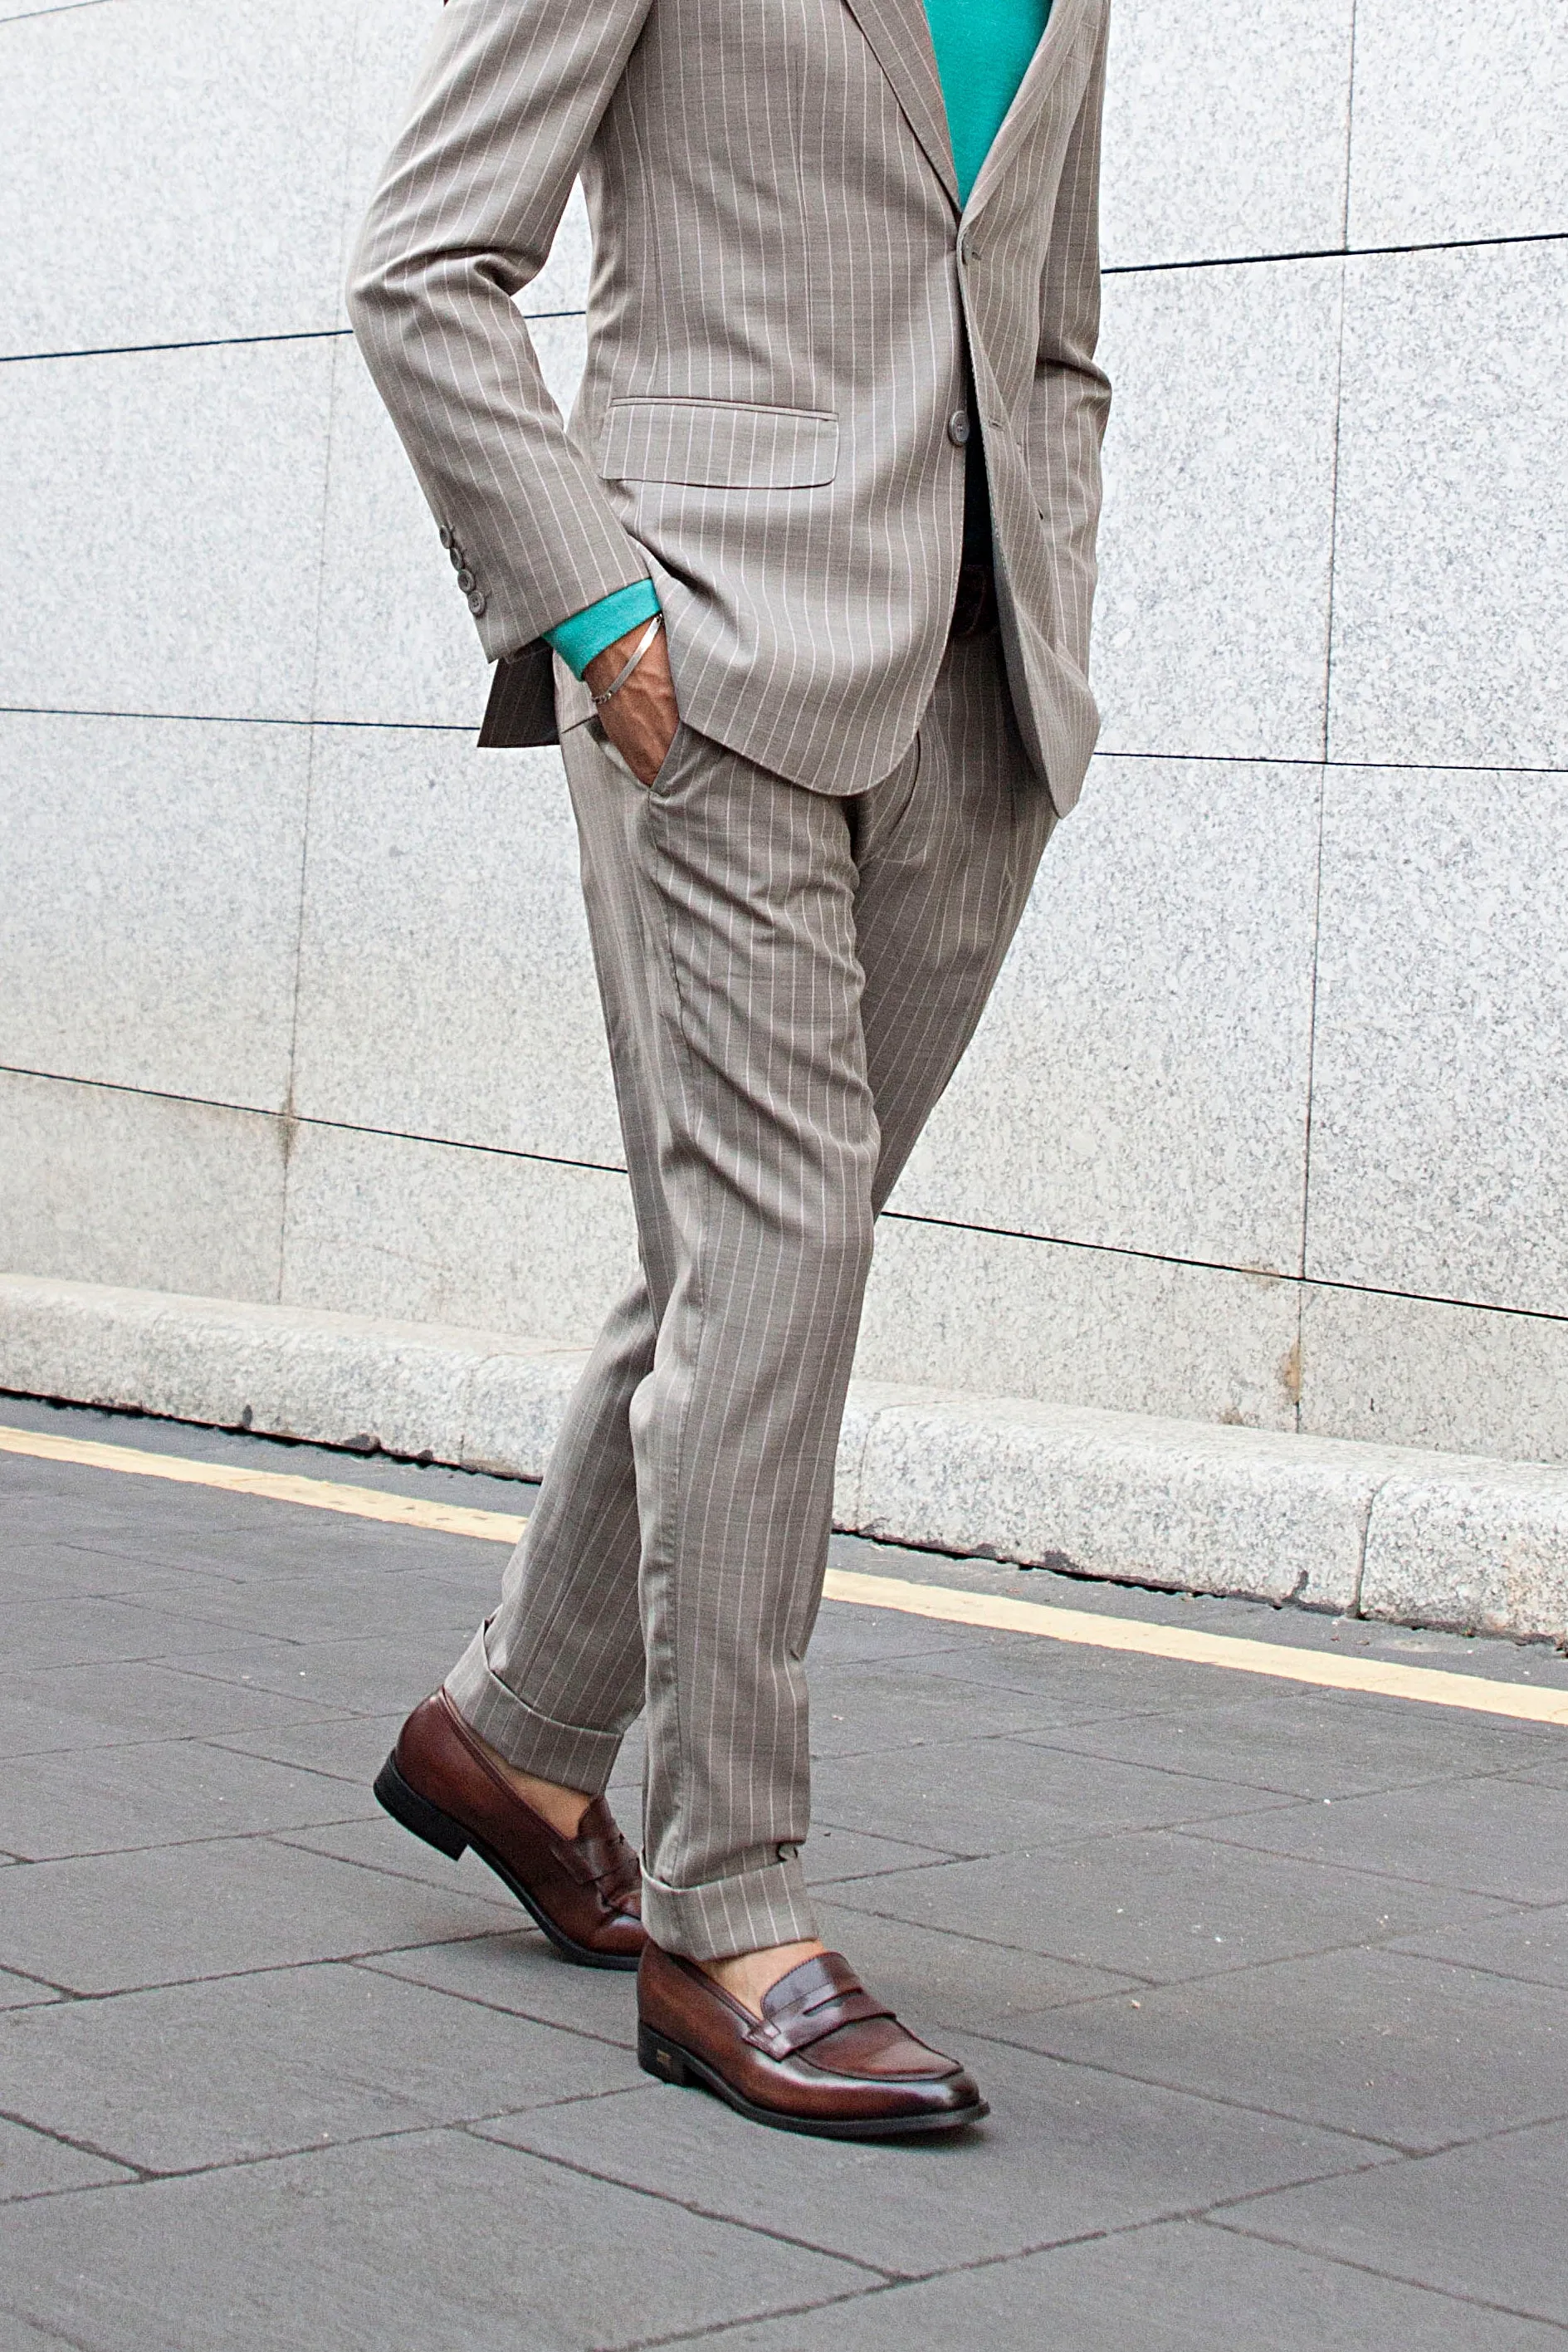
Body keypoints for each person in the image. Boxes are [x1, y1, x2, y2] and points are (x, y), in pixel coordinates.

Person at [349, 0, 1110, 2139]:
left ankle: (514, 1735)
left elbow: (1046, 315)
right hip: (705, 663)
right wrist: (599, 616)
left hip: (978, 706)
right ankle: (729, 1911)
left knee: (756, 1245)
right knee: (780, 1254)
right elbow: (426, 262)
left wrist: (1053, 598)